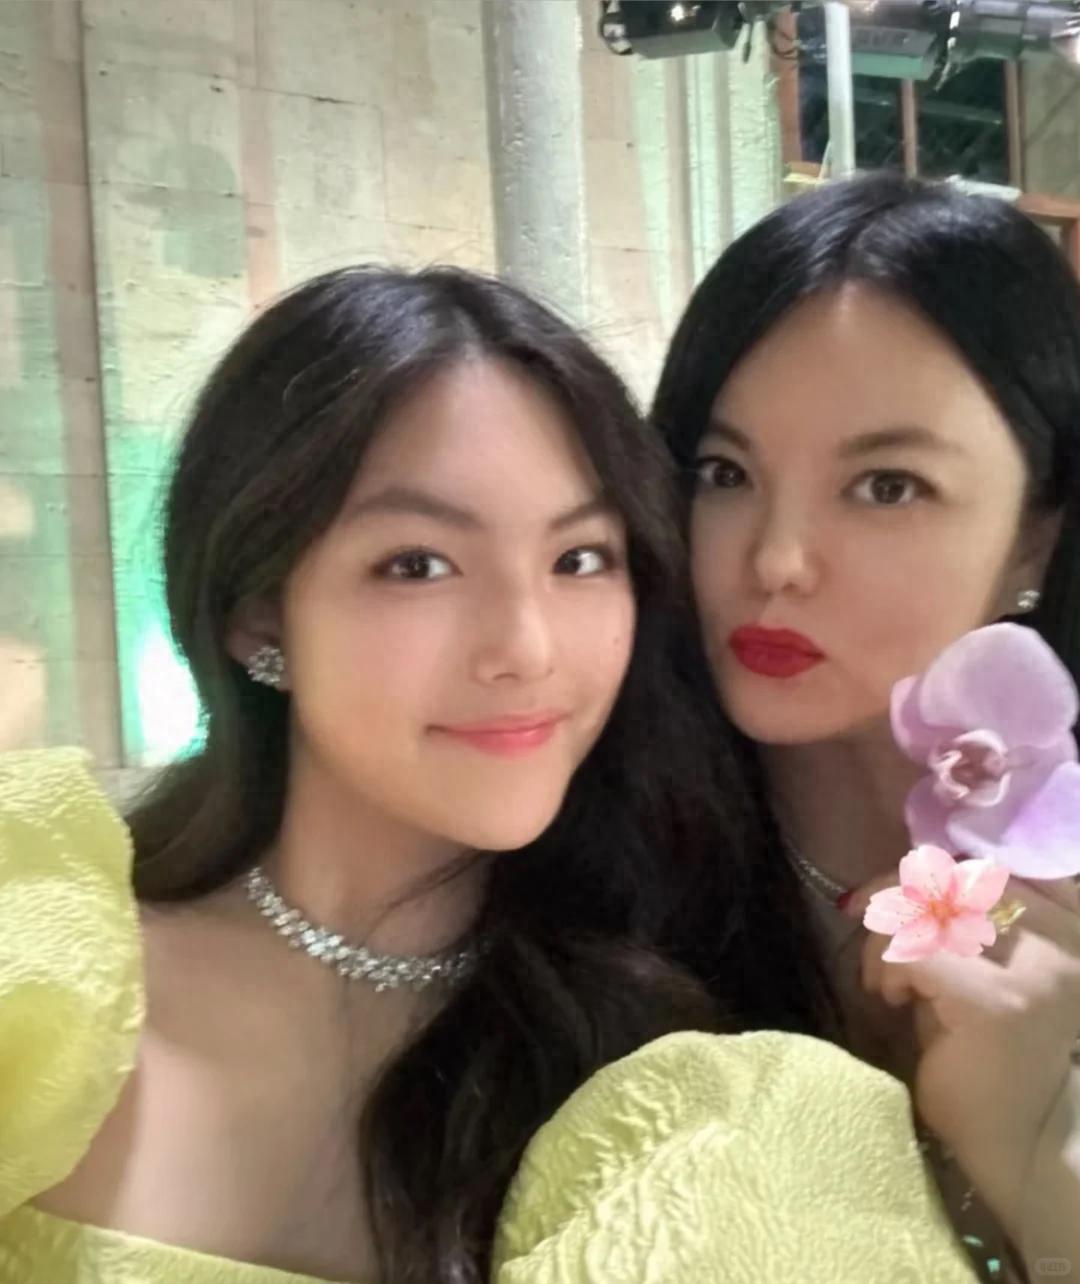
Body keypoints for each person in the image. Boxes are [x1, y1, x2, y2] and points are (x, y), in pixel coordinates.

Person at [0, 264, 978, 1284]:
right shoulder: (43, 961)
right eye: (418, 564)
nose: (526, 648)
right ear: (258, 615)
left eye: (579, 559)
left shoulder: (689, 1089)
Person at [653, 170, 1080, 1283]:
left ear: (1036, 538)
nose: (775, 560)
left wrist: (1038, 1154)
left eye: (887, 486)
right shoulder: (596, 869)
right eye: (724, 472)